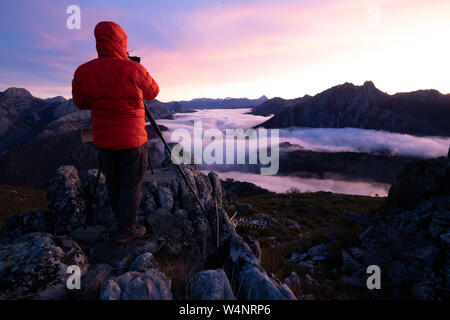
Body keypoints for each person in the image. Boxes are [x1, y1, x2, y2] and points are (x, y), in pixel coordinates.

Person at [71, 21, 159, 243]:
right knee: (131, 184)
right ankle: (128, 229)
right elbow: (153, 92)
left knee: (114, 182)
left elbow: (80, 103)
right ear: (121, 42)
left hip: (104, 140)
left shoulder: (83, 72)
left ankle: (121, 222)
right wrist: (131, 67)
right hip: (133, 140)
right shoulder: (134, 69)